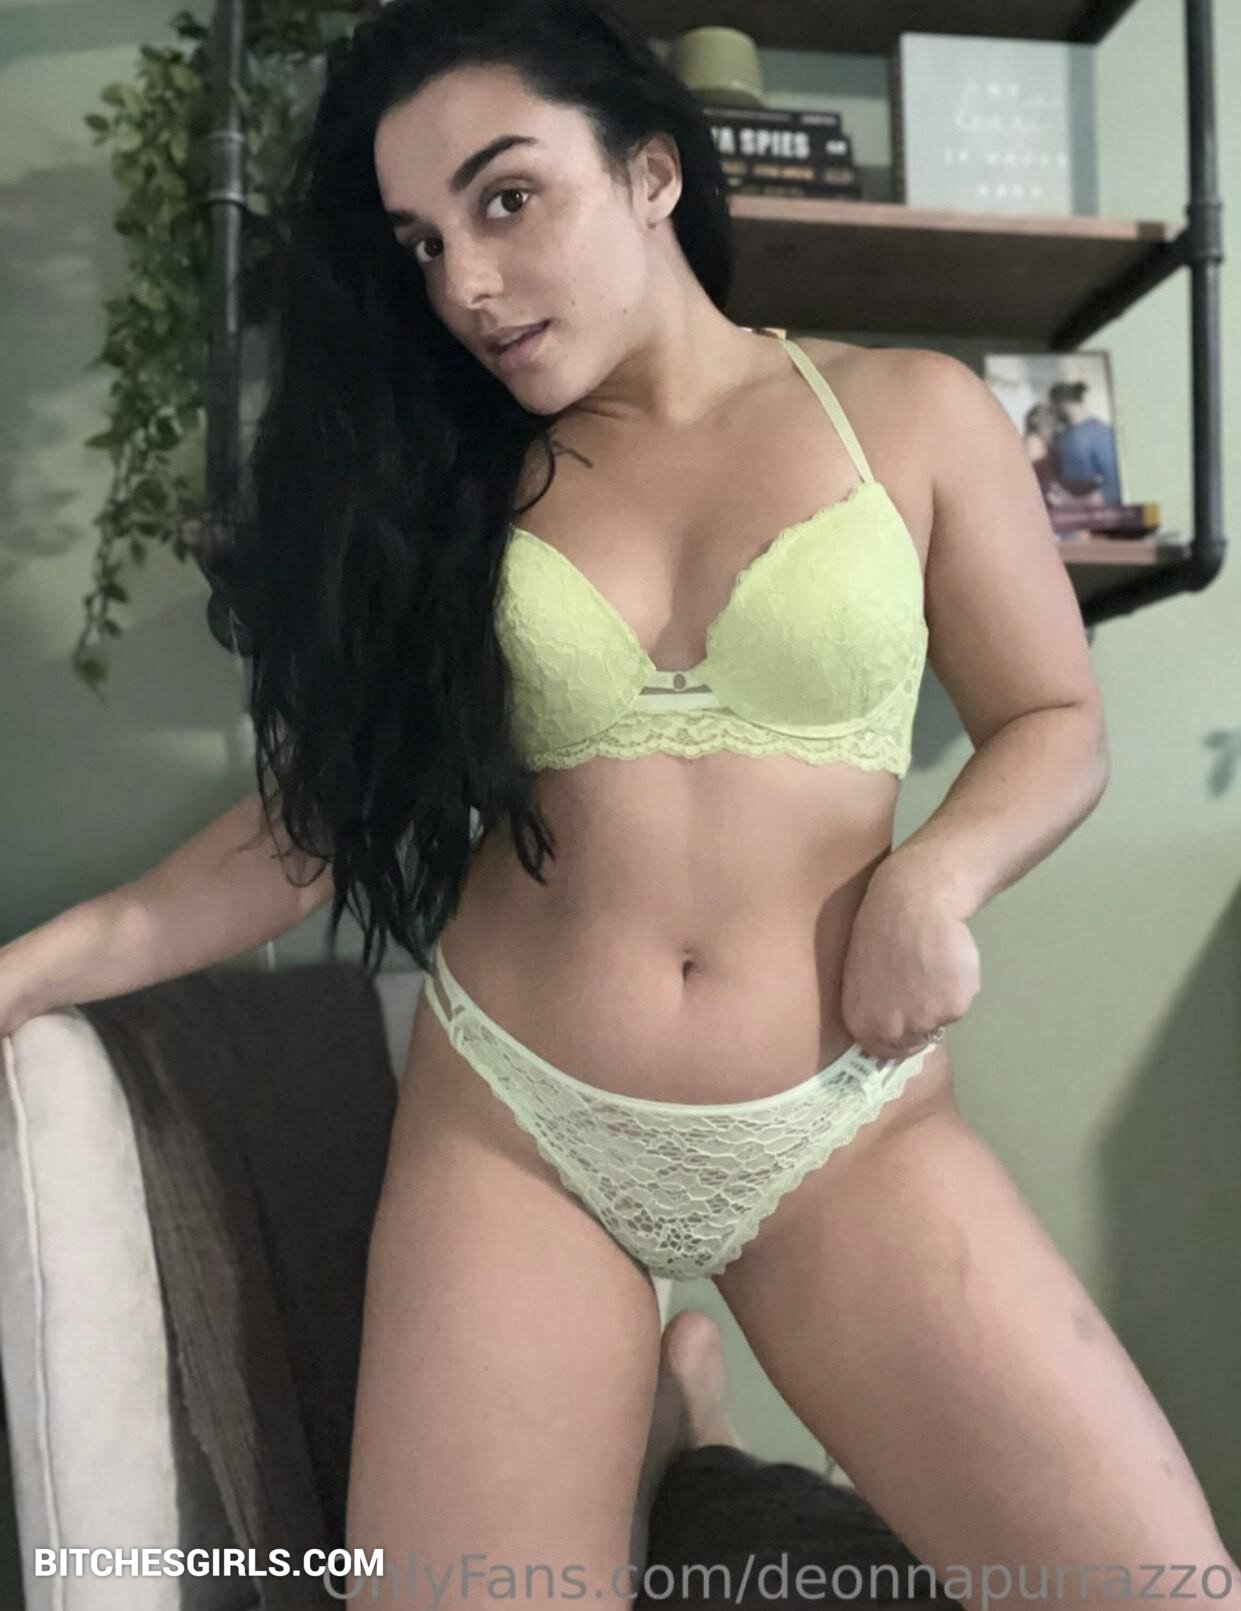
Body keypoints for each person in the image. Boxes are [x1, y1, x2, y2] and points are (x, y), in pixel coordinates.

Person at [2, 0, 1236, 1604]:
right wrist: (29, 971)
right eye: (421, 243)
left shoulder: (911, 412)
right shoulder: (456, 485)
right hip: (522, 1128)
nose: (465, 283)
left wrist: (936, 878)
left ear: (652, 172)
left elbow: (1052, 721)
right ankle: (663, 1425)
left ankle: (672, 1424)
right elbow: (308, 830)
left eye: (506, 200)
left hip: (843, 1125)